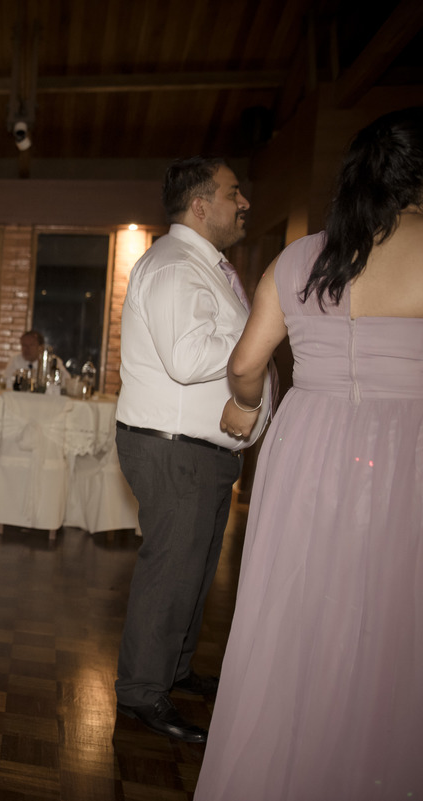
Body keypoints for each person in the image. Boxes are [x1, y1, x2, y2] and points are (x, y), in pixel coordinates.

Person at [195, 108, 423, 799]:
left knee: (298, 605)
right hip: (406, 449)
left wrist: (244, 402)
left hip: (310, 447)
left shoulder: (303, 257)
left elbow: (246, 363)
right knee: (391, 613)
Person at [113, 156, 271, 742]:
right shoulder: (176, 265)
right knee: (172, 573)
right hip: (172, 449)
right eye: (235, 192)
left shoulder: (199, 266)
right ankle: (141, 695)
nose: (244, 203)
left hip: (192, 451)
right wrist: (257, 334)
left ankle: (172, 670)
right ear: (201, 205)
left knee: (195, 571)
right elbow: (186, 358)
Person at [2, 330, 71, 389]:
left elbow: (67, 382)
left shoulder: (53, 361)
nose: (27, 349)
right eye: (24, 345)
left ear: (40, 347)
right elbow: (6, 381)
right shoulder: (15, 360)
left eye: (31, 345)